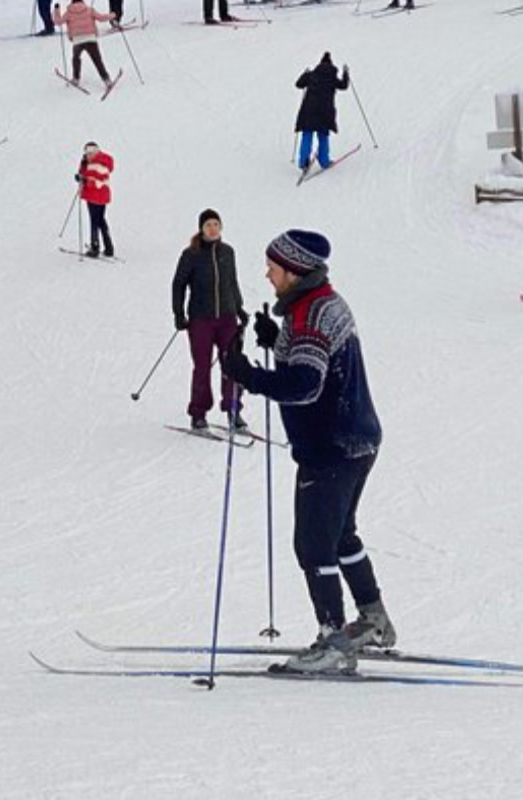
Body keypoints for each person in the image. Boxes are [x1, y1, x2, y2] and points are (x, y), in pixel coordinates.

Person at [219, 229, 392, 676]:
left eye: (273, 267)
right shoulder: (316, 305)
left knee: (314, 544)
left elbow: (305, 384)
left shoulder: (312, 314)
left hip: (330, 446)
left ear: (295, 271)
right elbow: (309, 359)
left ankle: (333, 640)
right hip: (356, 438)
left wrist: (250, 377)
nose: (268, 274)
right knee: (340, 536)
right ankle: (373, 619)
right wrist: (276, 338)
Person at [171, 209, 249, 431]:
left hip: (227, 317)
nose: (213, 228)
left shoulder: (228, 252)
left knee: (231, 365)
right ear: (201, 229)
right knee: (202, 367)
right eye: (208, 225)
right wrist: (179, 313)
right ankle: (198, 413)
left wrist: (239, 308)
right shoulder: (191, 254)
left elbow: (232, 282)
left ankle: (234, 410)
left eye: (216, 224)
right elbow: (179, 284)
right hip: (201, 319)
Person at [294, 53, 350, 172]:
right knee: (323, 136)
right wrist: (346, 73)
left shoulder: (311, 75)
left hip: (308, 111)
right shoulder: (332, 78)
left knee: (307, 135)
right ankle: (324, 161)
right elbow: (344, 86)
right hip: (325, 112)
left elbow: (298, 84)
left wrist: (305, 73)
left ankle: (303, 162)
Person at [53, 1, 115, 87]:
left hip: (77, 40)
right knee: (97, 60)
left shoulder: (69, 13)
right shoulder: (89, 10)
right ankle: (107, 80)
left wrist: (56, 11)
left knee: (76, 58)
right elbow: (101, 18)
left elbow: (58, 22)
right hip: (91, 39)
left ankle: (76, 79)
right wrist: (112, 15)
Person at [77, 142, 115, 258]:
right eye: (87, 153)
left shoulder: (101, 163)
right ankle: (108, 248)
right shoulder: (89, 162)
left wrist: (86, 181)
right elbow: (85, 174)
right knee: (100, 221)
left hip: (99, 196)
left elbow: (99, 182)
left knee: (95, 221)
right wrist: (82, 172)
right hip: (92, 196)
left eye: (90, 153)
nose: (88, 155)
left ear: (96, 152)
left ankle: (95, 247)